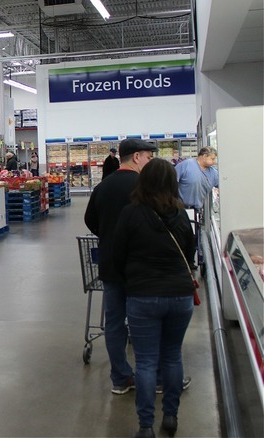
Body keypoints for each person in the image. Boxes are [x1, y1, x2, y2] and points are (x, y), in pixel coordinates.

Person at [112, 158, 196, 438]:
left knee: (146, 362)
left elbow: (118, 254)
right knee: (172, 356)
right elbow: (190, 252)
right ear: (173, 183)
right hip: (180, 295)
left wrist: (131, 280)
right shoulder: (181, 214)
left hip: (143, 296)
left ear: (142, 181)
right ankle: (170, 417)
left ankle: (146, 426)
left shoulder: (130, 213)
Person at [84, 138, 157, 395]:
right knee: (146, 322)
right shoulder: (146, 186)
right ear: (136, 157)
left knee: (114, 322)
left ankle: (120, 378)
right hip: (141, 266)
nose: (150, 162)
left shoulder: (103, 186)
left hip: (111, 264)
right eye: (148, 157)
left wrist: (107, 235)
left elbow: (89, 219)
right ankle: (154, 378)